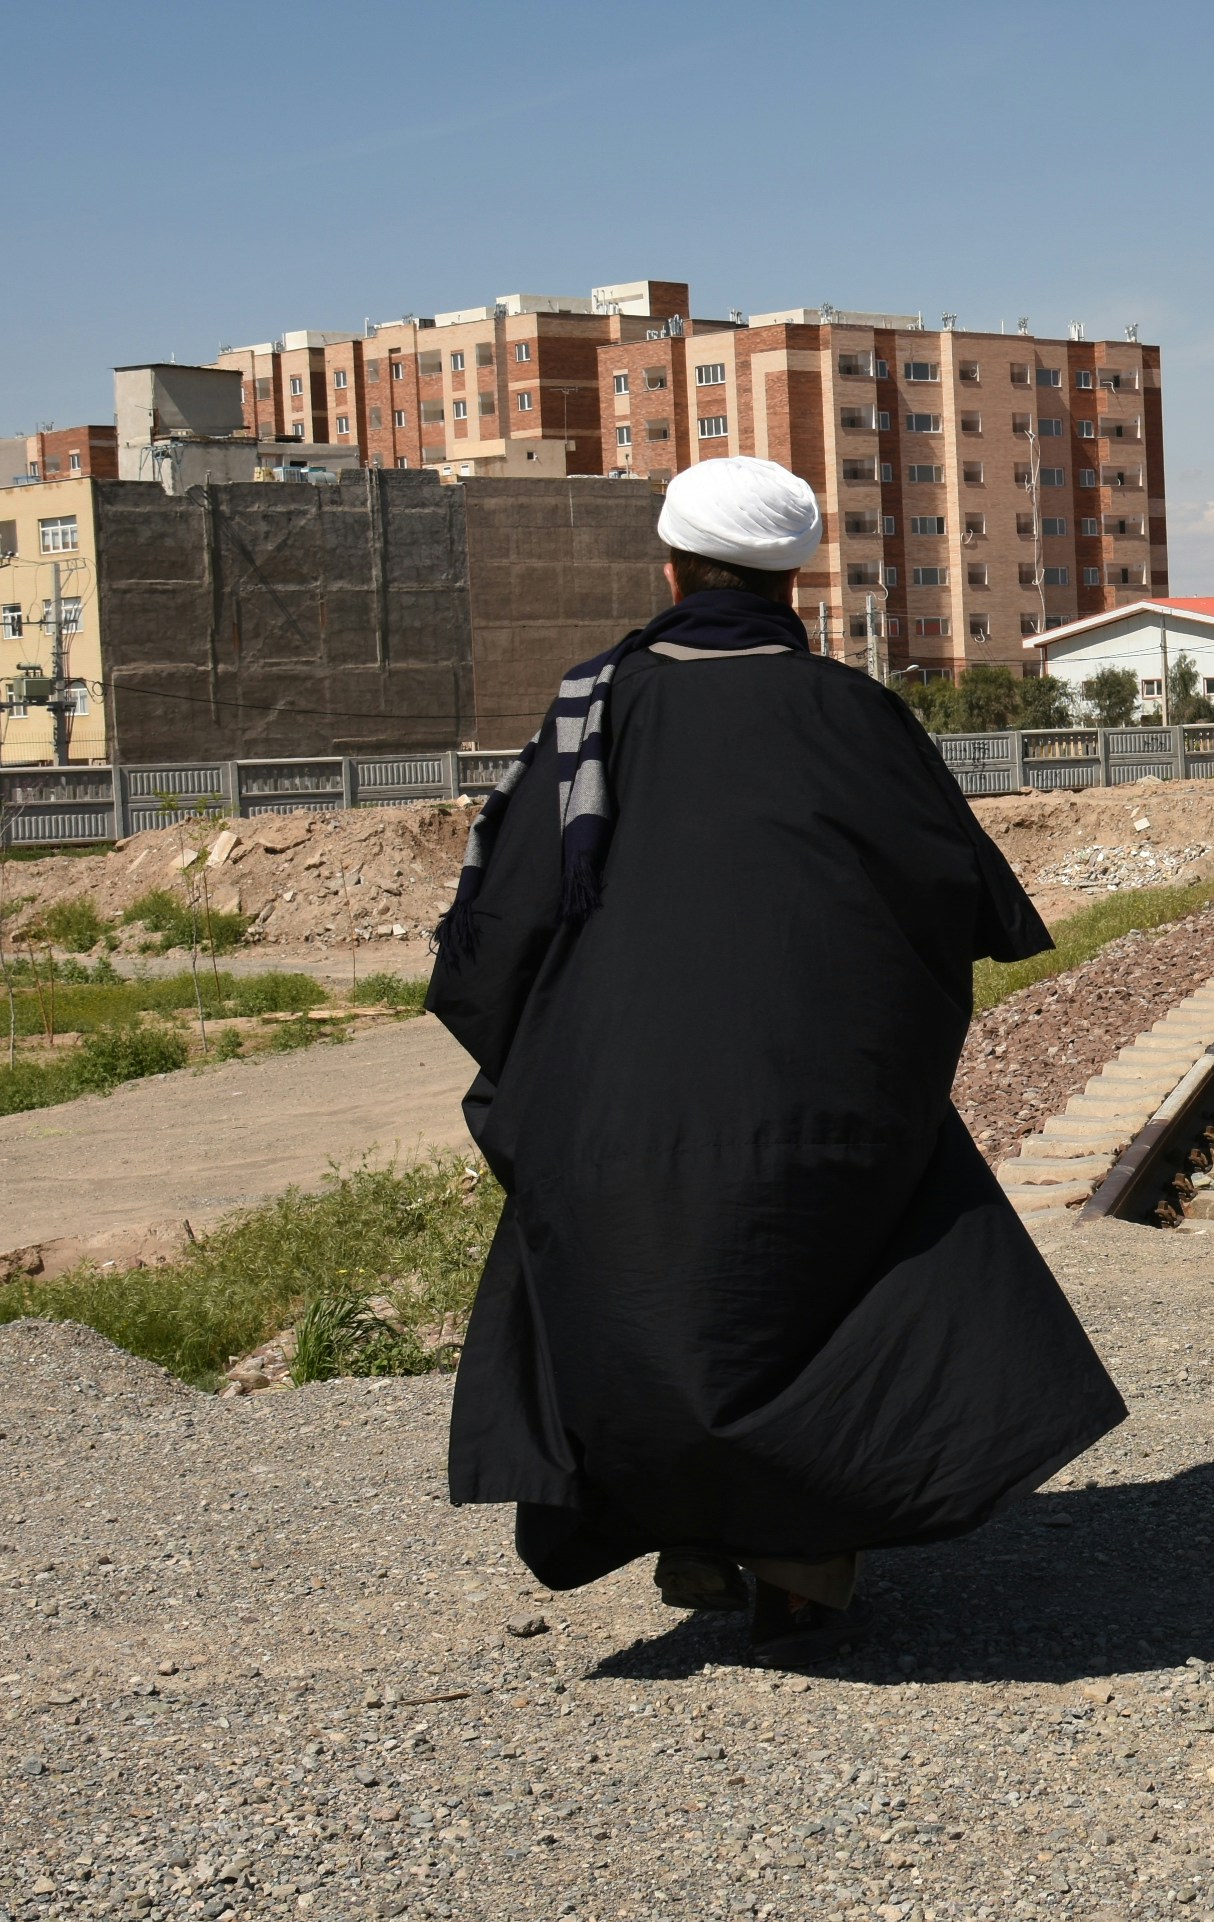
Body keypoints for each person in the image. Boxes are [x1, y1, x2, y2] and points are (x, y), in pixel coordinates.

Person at [427, 456, 1126, 1663]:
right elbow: (946, 898)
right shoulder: (852, 712)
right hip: (821, 1089)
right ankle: (801, 1560)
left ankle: (689, 1523)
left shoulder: (594, 711)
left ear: (670, 568)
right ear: (792, 580)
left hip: (618, 1090)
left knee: (641, 1289)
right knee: (826, 1284)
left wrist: (547, 1068)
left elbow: (503, 922)